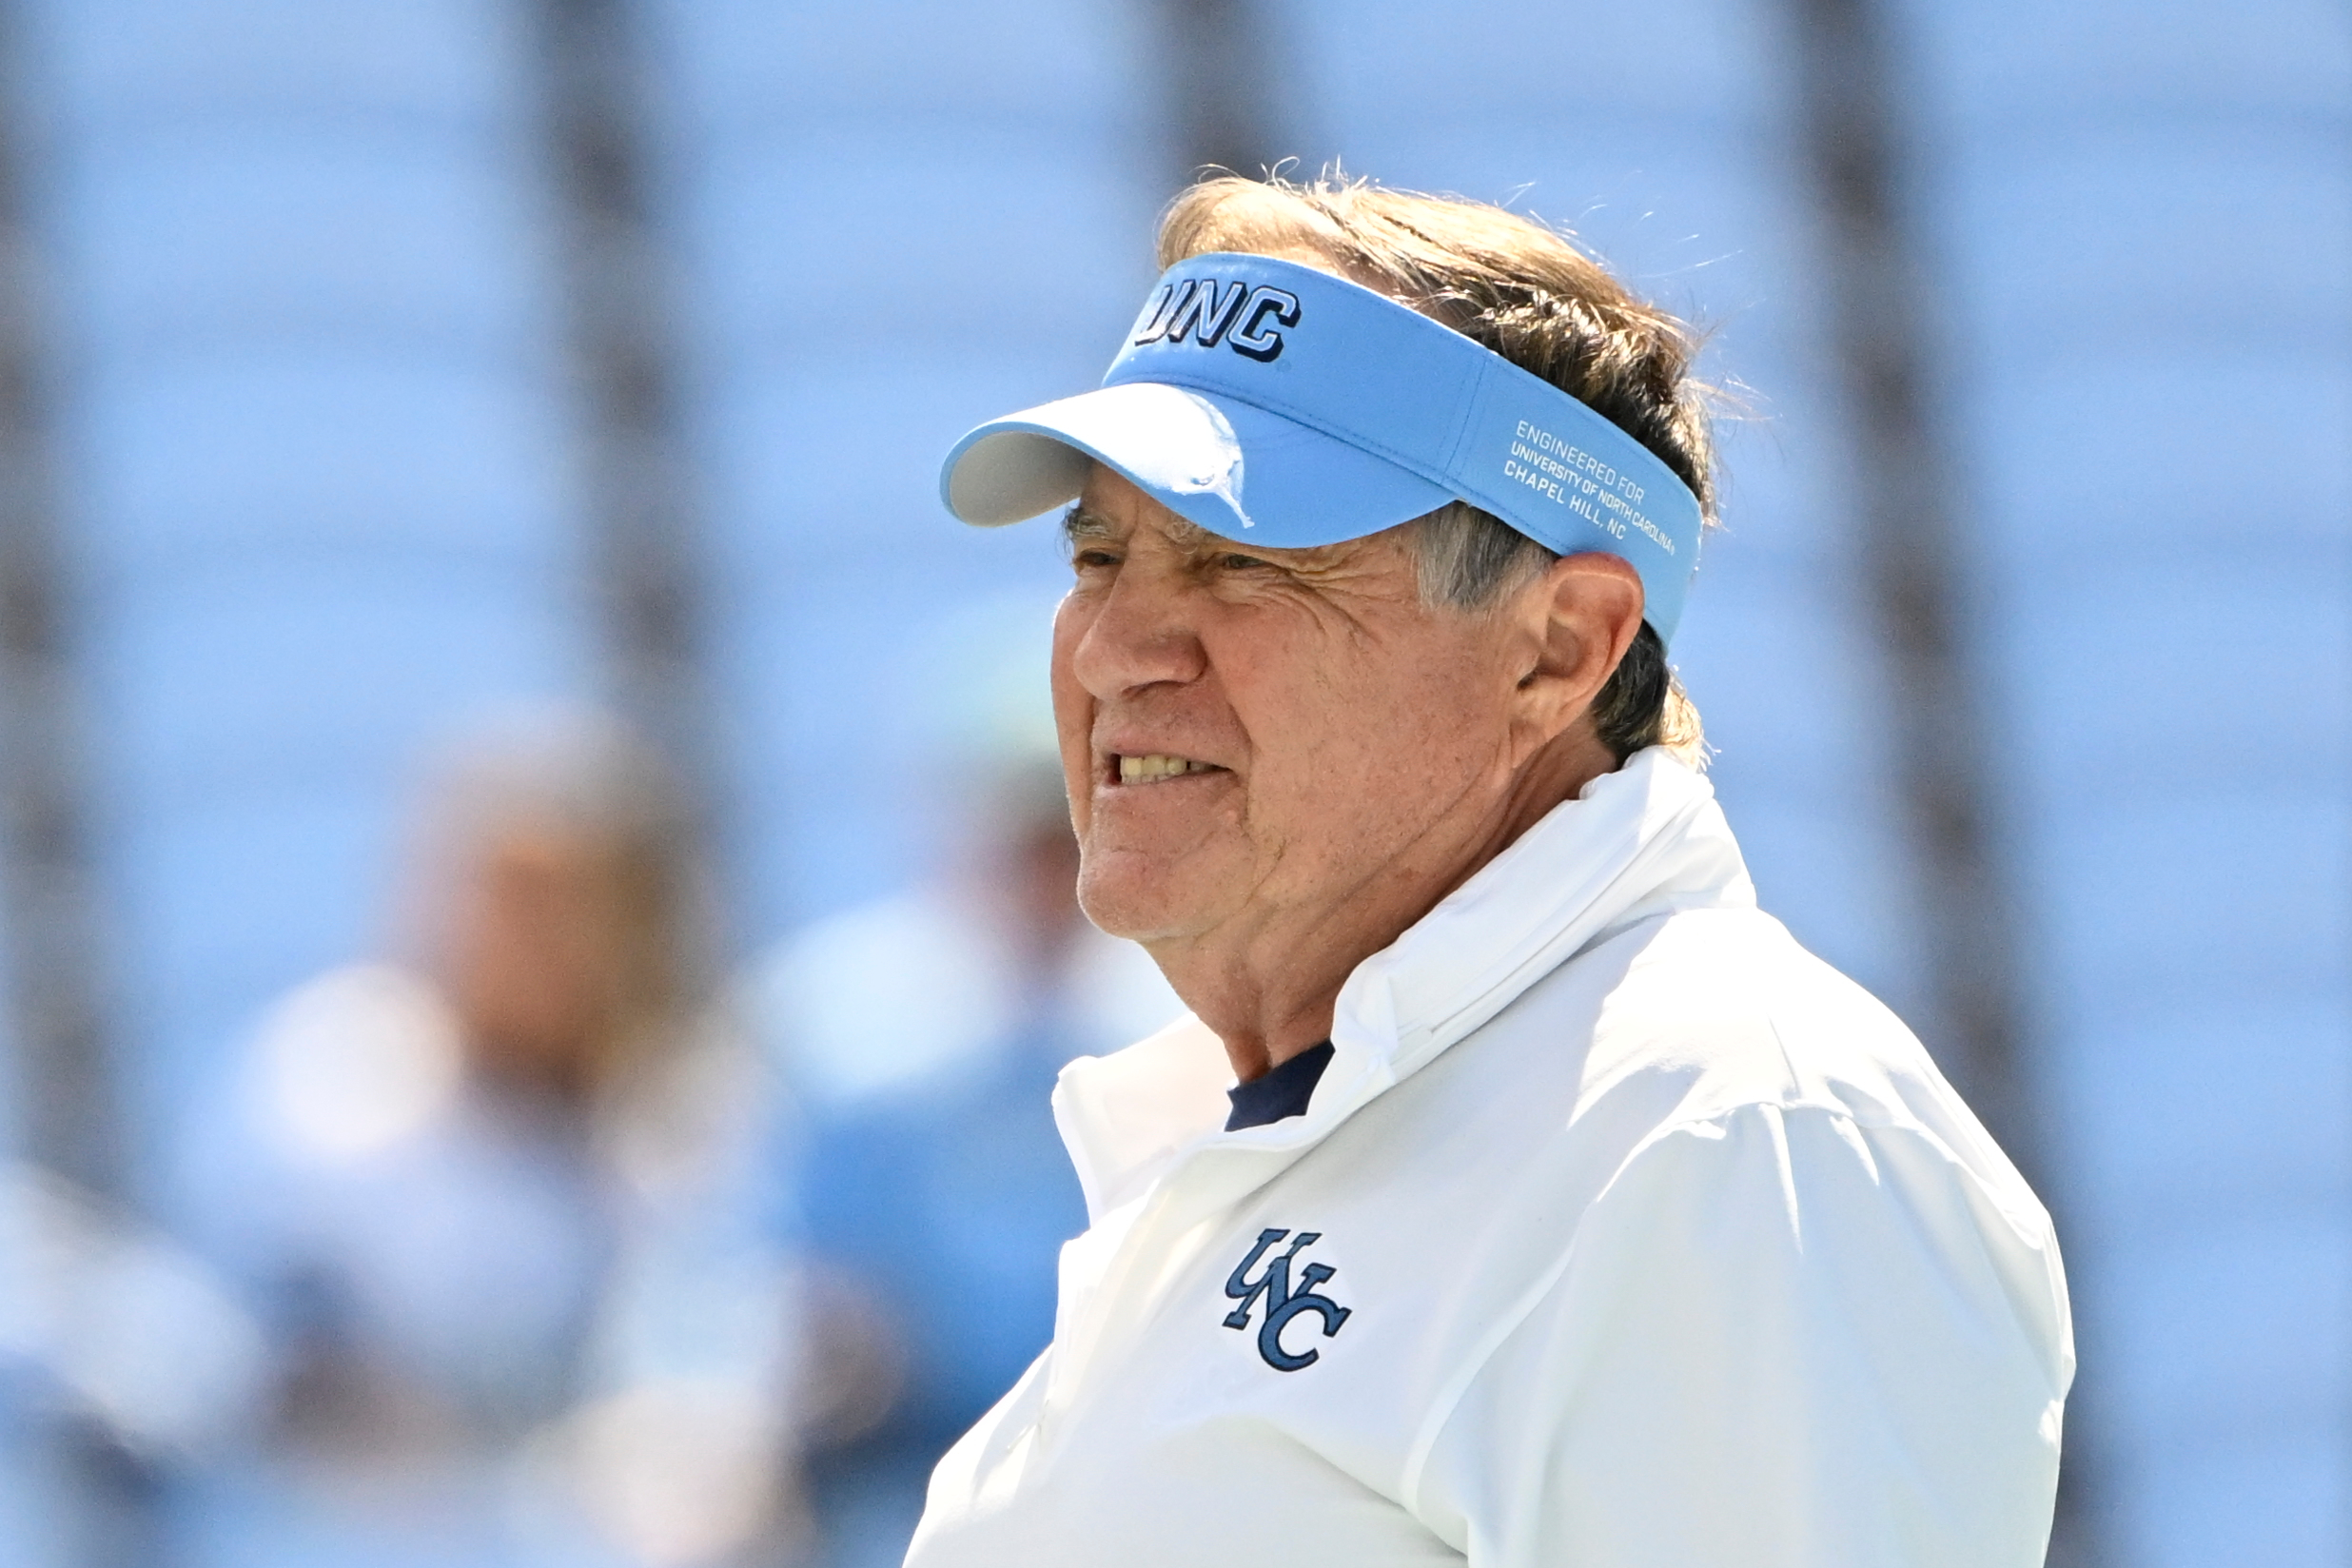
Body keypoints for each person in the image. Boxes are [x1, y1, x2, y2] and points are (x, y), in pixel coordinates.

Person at [902, 175, 2074, 1566]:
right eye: (1099, 555)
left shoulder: (1725, 1134)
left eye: (1242, 560)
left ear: (1560, 645)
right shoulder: (1384, 1114)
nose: (1113, 649)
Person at [179, 716, 802, 1568]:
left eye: (561, 904)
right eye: (495, 897)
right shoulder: (330, 1085)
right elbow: (253, 1378)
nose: (517, 939)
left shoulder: (705, 1113)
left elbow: (731, 1376)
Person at [750, 630, 1180, 1568]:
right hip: (876, 1484)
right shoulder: (828, 1026)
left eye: (1072, 810)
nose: (1048, 857)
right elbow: (758, 1280)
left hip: (1144, 1476)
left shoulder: (1197, 1018)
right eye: (1023, 821)